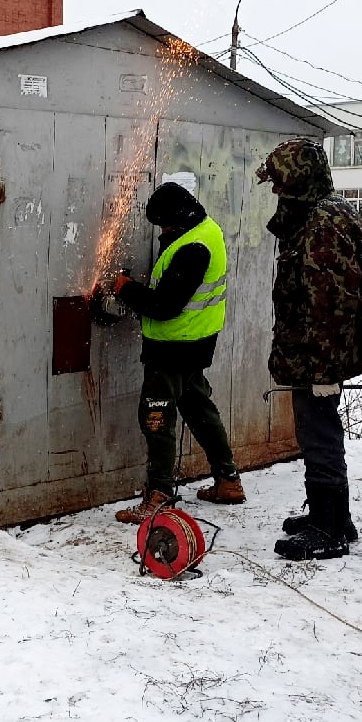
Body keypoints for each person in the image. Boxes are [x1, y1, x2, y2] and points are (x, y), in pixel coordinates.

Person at [257, 138, 362, 561]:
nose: (275, 191)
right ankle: (332, 517)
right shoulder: (317, 214)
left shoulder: (323, 222)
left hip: (319, 355)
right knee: (317, 432)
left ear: (298, 178)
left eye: (279, 181)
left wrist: (324, 372)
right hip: (312, 352)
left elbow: (330, 303)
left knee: (319, 435)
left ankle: (328, 528)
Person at [110, 179, 246, 523]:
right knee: (199, 408)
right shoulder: (206, 228)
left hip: (172, 347)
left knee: (156, 418)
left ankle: (158, 495)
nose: (163, 230)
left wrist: (125, 289)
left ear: (181, 216)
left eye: (165, 224)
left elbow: (164, 305)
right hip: (195, 344)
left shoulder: (193, 247)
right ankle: (228, 479)